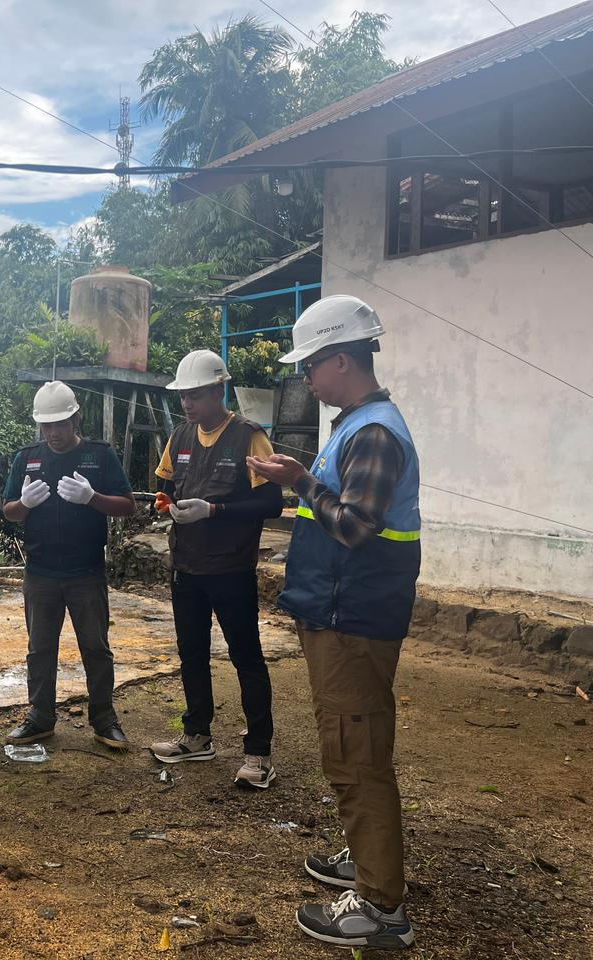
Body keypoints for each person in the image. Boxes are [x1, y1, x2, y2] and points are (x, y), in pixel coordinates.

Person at [248, 295, 420, 950]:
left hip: (355, 618)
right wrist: (299, 476)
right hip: (341, 613)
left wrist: (297, 480)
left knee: (355, 753)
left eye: (311, 368)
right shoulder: (358, 424)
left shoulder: (373, 433)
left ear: (341, 361)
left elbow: (352, 525)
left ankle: (381, 905)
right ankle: (370, 858)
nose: (307, 381)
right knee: (354, 745)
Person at [147, 350, 283, 789]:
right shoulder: (181, 435)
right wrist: (166, 504)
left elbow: (271, 502)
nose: (188, 404)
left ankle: (258, 753)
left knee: (246, 657)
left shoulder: (248, 436)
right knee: (192, 654)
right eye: (184, 396)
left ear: (218, 390)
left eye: (197, 395)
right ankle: (196, 736)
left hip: (230, 568)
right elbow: (165, 486)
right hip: (187, 565)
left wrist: (214, 509)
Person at [1, 381, 136, 751]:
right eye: (47, 426)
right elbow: (8, 511)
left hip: (86, 572)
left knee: (95, 647)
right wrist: (24, 504)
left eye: (60, 423)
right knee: (39, 649)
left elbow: (127, 505)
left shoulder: (99, 455)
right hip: (41, 572)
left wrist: (93, 498)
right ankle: (40, 718)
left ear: (76, 418)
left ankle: (104, 720)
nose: (54, 433)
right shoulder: (26, 458)